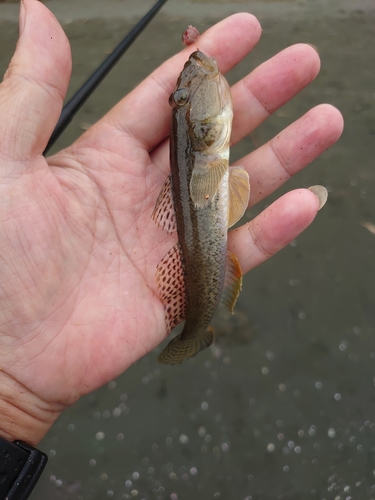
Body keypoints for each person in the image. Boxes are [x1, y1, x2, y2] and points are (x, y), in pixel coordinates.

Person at [0, 0, 343, 448]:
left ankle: (196, 325)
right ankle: (195, 326)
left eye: (184, 98)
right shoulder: (203, 138)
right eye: (182, 98)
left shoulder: (204, 136)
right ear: (202, 131)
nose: (189, 85)